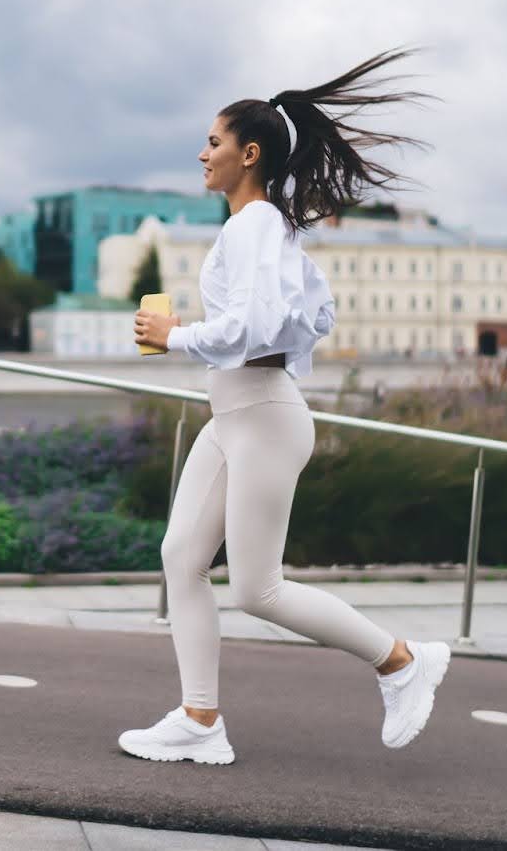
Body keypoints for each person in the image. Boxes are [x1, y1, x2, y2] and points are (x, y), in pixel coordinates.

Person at [127, 49, 448, 764]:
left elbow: (259, 325)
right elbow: (315, 313)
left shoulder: (256, 223)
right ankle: (199, 718)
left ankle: (401, 661)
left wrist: (175, 335)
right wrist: (219, 340)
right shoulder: (273, 226)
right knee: (181, 556)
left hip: (264, 418)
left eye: (213, 142)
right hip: (238, 416)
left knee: (256, 588)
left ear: (249, 153)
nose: (201, 153)